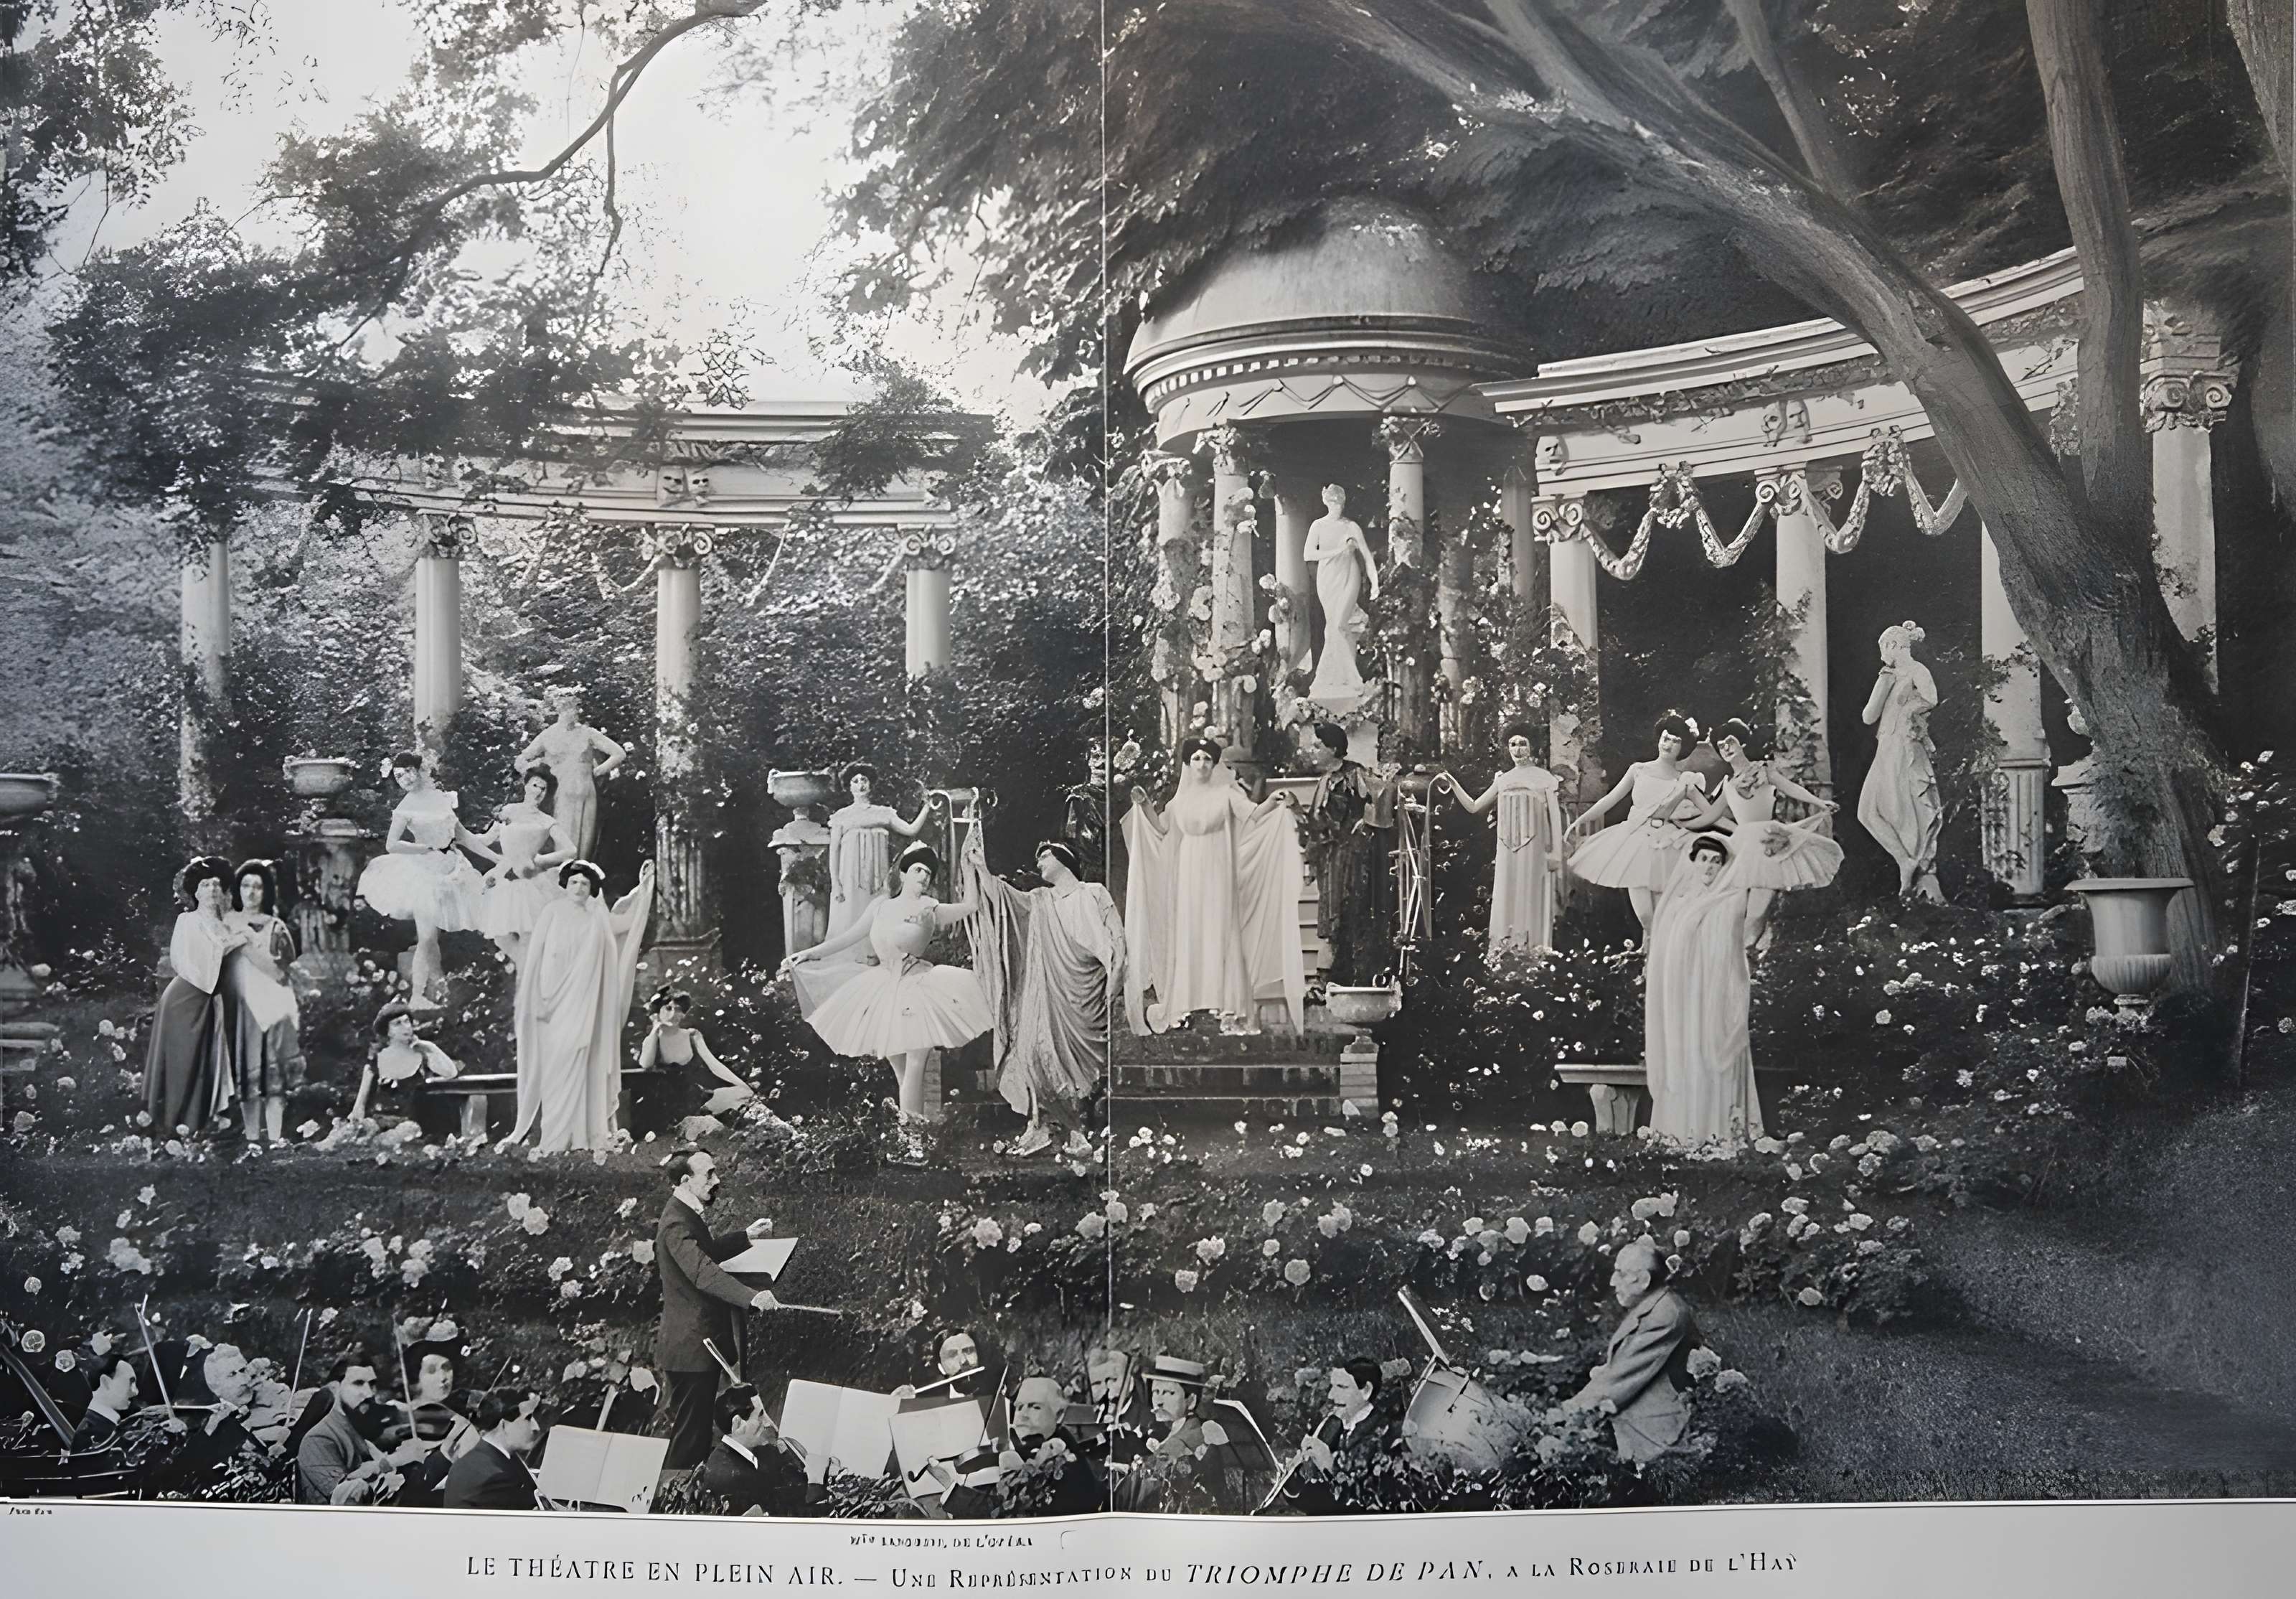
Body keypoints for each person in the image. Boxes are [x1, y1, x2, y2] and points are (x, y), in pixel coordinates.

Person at [786, 842, 991, 1137]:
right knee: (903, 1071)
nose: (924, 877)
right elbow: (848, 938)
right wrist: (808, 953)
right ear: (904, 872)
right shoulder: (881, 906)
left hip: (919, 986)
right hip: (883, 987)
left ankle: (911, 1136)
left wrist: (974, 867)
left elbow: (971, 907)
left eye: (929, 874)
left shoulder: (930, 907)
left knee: (917, 1062)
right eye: (918, 870)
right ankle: (913, 1134)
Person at [1122, 737, 1307, 1035]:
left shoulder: (1227, 794)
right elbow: (1161, 827)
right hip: (1187, 871)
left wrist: (1273, 802)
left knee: (1220, 929)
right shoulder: (1179, 801)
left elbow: (1253, 815)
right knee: (1190, 931)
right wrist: (1144, 804)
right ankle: (1185, 1003)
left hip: (1218, 869)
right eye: (1196, 758)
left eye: (1207, 759)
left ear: (1215, 763)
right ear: (1187, 763)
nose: (1202, 764)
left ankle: (1227, 1005)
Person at [964, 835, 1124, 1158]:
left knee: (1077, 1069)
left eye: (1044, 857)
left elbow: (1117, 940)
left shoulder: (1094, 892)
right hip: (1047, 994)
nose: (1039, 863)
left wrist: (1116, 977)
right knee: (1030, 1051)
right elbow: (1004, 900)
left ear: (1063, 859)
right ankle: (1039, 1126)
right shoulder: (1040, 900)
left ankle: (1077, 1131)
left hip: (1087, 993)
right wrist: (981, 868)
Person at [497, 859, 654, 1155]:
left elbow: (625, 924)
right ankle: (555, 1138)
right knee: (557, 1064)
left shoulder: (597, 917)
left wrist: (642, 890)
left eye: (585, 883)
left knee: (584, 1062)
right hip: (552, 999)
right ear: (565, 885)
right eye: (574, 882)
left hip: (586, 1002)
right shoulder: (552, 912)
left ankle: (582, 1135)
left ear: (592, 888)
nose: (579, 887)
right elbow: (536, 958)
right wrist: (536, 999)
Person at [653, 1148, 781, 1472]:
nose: (717, 1180)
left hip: (697, 1347)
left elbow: (705, 1254)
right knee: (690, 1439)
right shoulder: (675, 1223)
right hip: (691, 1348)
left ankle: (686, 1501)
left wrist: (745, 1237)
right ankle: (672, 1507)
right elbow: (702, 1272)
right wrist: (751, 1297)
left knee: (695, 1435)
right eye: (708, 1174)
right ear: (686, 1181)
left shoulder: (685, 1213)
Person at [1678, 719, 1842, 954]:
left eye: (1730, 742)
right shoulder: (1728, 784)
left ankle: (1747, 958)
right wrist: (1681, 823)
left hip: (1767, 842)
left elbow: (1790, 788)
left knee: (1758, 912)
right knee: (1735, 909)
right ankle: (1740, 959)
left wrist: (1818, 802)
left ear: (1743, 742)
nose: (1725, 747)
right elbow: (1711, 816)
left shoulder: (1764, 770)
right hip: (1741, 847)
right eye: (1721, 745)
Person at [1644, 835, 1762, 1148]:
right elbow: (1665, 952)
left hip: (1718, 990)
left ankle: (1721, 1133)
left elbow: (1743, 935)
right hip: (1683, 994)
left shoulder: (1733, 897)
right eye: (1705, 859)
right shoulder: (1677, 903)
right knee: (1687, 1054)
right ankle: (1680, 1133)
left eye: (1717, 861)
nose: (1710, 866)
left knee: (1716, 1051)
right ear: (1692, 862)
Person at [357, 752, 492, 1008]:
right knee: (427, 937)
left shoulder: (443, 800)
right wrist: (424, 848)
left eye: (407, 772)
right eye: (398, 776)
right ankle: (418, 996)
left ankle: (439, 991)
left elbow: (463, 837)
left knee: (436, 938)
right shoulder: (405, 808)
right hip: (423, 874)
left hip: (452, 871)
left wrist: (497, 858)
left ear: (419, 771)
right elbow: (391, 845)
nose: (404, 779)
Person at [1565, 713, 1711, 934]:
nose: (1668, 744)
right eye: (1666, 738)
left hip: (1667, 844)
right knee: (1645, 915)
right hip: (1635, 842)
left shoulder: (1686, 780)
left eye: (1675, 741)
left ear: (1683, 747)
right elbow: (1610, 800)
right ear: (1658, 739)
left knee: (1663, 913)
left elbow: (1709, 812)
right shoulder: (1639, 770)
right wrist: (1579, 821)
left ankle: (1656, 960)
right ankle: (1647, 953)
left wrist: (1686, 826)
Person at [1563, 1237, 1700, 1464]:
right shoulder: (1654, 1306)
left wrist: (1567, 1412)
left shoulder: (1665, 1314)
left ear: (1644, 1280)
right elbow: (1619, 1367)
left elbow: (1623, 1375)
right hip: (1636, 1422)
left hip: (1656, 1436)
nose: (1613, 1281)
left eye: (1621, 1274)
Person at [1439, 722, 1567, 959]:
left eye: (1523, 744)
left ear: (1533, 747)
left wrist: (1555, 855)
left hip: (1535, 848)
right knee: (1507, 896)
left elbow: (1555, 820)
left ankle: (1533, 955)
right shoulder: (1503, 780)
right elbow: (1475, 806)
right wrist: (1454, 784)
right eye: (1513, 744)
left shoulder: (1544, 779)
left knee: (1532, 897)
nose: (1518, 749)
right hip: (1507, 849)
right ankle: (1503, 956)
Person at [144, 856, 247, 1138]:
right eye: (205, 884)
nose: (212, 889)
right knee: (184, 1057)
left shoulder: (228, 923)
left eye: (216, 884)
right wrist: (220, 959)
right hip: (187, 997)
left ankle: (208, 1116)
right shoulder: (187, 921)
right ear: (195, 892)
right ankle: (177, 1120)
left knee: (210, 1055)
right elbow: (181, 960)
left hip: (215, 998)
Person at [1301, 722, 1396, 986]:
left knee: (1352, 914)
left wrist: (1364, 824)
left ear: (1333, 748)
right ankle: (1325, 982)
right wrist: (1310, 859)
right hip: (1330, 858)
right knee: (1331, 918)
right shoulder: (1323, 782)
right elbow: (1316, 822)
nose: (1313, 750)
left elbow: (1382, 796)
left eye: (1318, 745)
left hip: (1353, 857)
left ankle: (1353, 978)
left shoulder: (1355, 774)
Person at [1858, 621, 1944, 900]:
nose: (1882, 655)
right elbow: (1868, 716)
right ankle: (1905, 861)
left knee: (1907, 810)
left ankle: (1920, 874)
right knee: (1868, 812)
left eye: (1883, 648)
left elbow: (1931, 699)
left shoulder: (1918, 671)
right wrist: (1884, 683)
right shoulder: (1888, 675)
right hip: (1887, 746)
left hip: (1905, 747)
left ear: (1894, 646)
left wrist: (1910, 709)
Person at [938, 1376, 1104, 1519]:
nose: (1023, 1415)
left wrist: (950, 1487)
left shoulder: (1063, 1466)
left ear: (1059, 1415)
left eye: (1035, 1407)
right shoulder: (1037, 1449)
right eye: (1019, 1407)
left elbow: (1000, 1513)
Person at [225, 858, 301, 1150]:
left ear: (265, 892)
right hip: (239, 1008)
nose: (251, 892)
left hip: (272, 1006)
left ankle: (276, 1138)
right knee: (248, 1073)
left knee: (274, 1075)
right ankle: (252, 1138)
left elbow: (284, 970)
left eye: (258, 886)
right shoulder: (227, 923)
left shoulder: (276, 926)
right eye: (245, 885)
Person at [822, 761, 936, 942]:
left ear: (871, 784)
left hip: (877, 876)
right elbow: (834, 851)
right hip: (850, 876)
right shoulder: (841, 816)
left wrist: (927, 806)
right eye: (856, 781)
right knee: (851, 913)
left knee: (877, 909)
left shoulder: (884, 813)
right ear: (850, 787)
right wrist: (836, 883)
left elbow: (911, 829)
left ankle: (877, 952)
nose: (861, 784)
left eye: (864, 780)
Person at [476, 767, 574, 967]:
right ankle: (530, 977)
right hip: (503, 879)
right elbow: (487, 839)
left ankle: (529, 984)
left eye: (544, 789)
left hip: (529, 882)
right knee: (500, 936)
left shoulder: (546, 821)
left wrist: (540, 860)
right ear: (526, 786)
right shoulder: (509, 811)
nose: (538, 791)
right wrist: (459, 835)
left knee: (529, 937)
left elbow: (570, 850)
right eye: (535, 785)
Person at [517, 688, 626, 862]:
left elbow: (619, 753)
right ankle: (560, 879)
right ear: (559, 710)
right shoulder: (549, 734)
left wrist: (596, 772)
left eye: (575, 708)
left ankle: (580, 879)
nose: (574, 713)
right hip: (559, 793)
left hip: (585, 791)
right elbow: (522, 760)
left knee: (585, 841)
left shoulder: (587, 733)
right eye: (569, 708)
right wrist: (537, 778)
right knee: (563, 838)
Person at [1281, 1358, 1401, 1516]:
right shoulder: (1331, 1425)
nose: (1331, 1395)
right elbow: (1308, 1501)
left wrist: (1329, 1466)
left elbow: (1371, 1505)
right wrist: (1295, 1477)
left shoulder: (1386, 1435)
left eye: (1342, 1387)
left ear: (1366, 1391)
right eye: (1332, 1387)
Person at [296, 1353, 417, 1505]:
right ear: (335, 1387)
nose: (369, 1393)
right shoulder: (319, 1439)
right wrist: (391, 1462)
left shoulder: (355, 1425)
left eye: (372, 1384)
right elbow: (348, 1498)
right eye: (358, 1383)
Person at [1302, 484, 1380, 701]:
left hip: (1349, 575)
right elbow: (1308, 554)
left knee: (1338, 624)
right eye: (1333, 502)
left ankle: (1353, 680)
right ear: (1327, 502)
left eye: (1340, 503)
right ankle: (1335, 680)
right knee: (1336, 629)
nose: (1337, 507)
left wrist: (1375, 583)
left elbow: (1366, 555)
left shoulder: (1351, 526)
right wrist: (1339, 550)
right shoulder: (1318, 526)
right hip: (1327, 578)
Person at [639, 986, 756, 1132]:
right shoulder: (652, 1040)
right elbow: (646, 1063)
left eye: (680, 1010)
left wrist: (744, 1086)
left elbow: (714, 1065)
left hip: (693, 1099)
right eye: (669, 1008)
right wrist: (656, 1028)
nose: (676, 1014)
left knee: (742, 1095)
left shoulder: (692, 1036)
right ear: (659, 1010)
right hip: (664, 1104)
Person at [699, 1384, 808, 1516]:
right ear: (737, 1423)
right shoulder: (734, 1479)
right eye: (761, 1416)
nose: (769, 1423)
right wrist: (816, 1483)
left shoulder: (733, 1451)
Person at [348, 1001, 461, 1123]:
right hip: (380, 1126)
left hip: (415, 1128)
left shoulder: (423, 1053)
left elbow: (451, 1073)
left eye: (407, 1021)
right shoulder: (376, 1062)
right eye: (398, 1023)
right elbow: (359, 1108)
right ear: (388, 1031)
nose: (406, 1026)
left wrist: (429, 1046)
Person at [442, 1389, 545, 1510]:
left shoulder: (484, 1458)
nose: (536, 1427)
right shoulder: (494, 1477)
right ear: (503, 1424)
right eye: (528, 1419)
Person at [1062, 741, 1129, 902]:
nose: (1102, 762)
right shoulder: (1078, 798)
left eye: (1106, 757)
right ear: (1088, 760)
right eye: (1096, 756)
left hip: (1116, 867)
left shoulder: (1119, 799)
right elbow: (1072, 836)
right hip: (1089, 866)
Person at [72, 1353, 140, 1453]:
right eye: (131, 1382)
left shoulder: (97, 1421)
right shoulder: (91, 1430)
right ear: (106, 1382)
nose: (135, 1391)